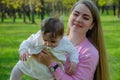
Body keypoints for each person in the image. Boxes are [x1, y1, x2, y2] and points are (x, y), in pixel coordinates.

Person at [34, 0, 110, 80]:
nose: (78, 19)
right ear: (70, 16)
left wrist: (51, 64)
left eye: (85, 18)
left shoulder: (89, 52)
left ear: (92, 25)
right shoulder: (54, 40)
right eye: (76, 14)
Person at [10, 18, 79, 80]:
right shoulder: (39, 36)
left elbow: (73, 51)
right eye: (45, 40)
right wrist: (23, 50)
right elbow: (27, 42)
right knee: (19, 67)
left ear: (61, 37)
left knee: (47, 77)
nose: (48, 44)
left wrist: (74, 61)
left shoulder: (65, 42)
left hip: (48, 68)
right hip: (33, 60)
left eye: (53, 41)